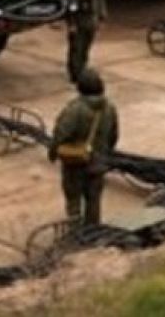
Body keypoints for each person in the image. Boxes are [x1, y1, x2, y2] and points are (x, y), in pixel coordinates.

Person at [48, 69, 119, 228]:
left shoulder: (75, 109)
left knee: (73, 199)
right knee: (94, 199)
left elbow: (61, 133)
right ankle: (92, 231)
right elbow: (113, 135)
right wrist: (105, 154)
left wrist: (53, 151)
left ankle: (75, 231)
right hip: (98, 162)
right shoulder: (110, 108)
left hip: (76, 163)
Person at [66, 0, 106, 82]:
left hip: (91, 21)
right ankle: (75, 73)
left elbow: (101, 2)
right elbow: (71, 5)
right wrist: (71, 23)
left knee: (85, 48)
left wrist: (101, 18)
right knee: (76, 48)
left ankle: (82, 69)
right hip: (79, 22)